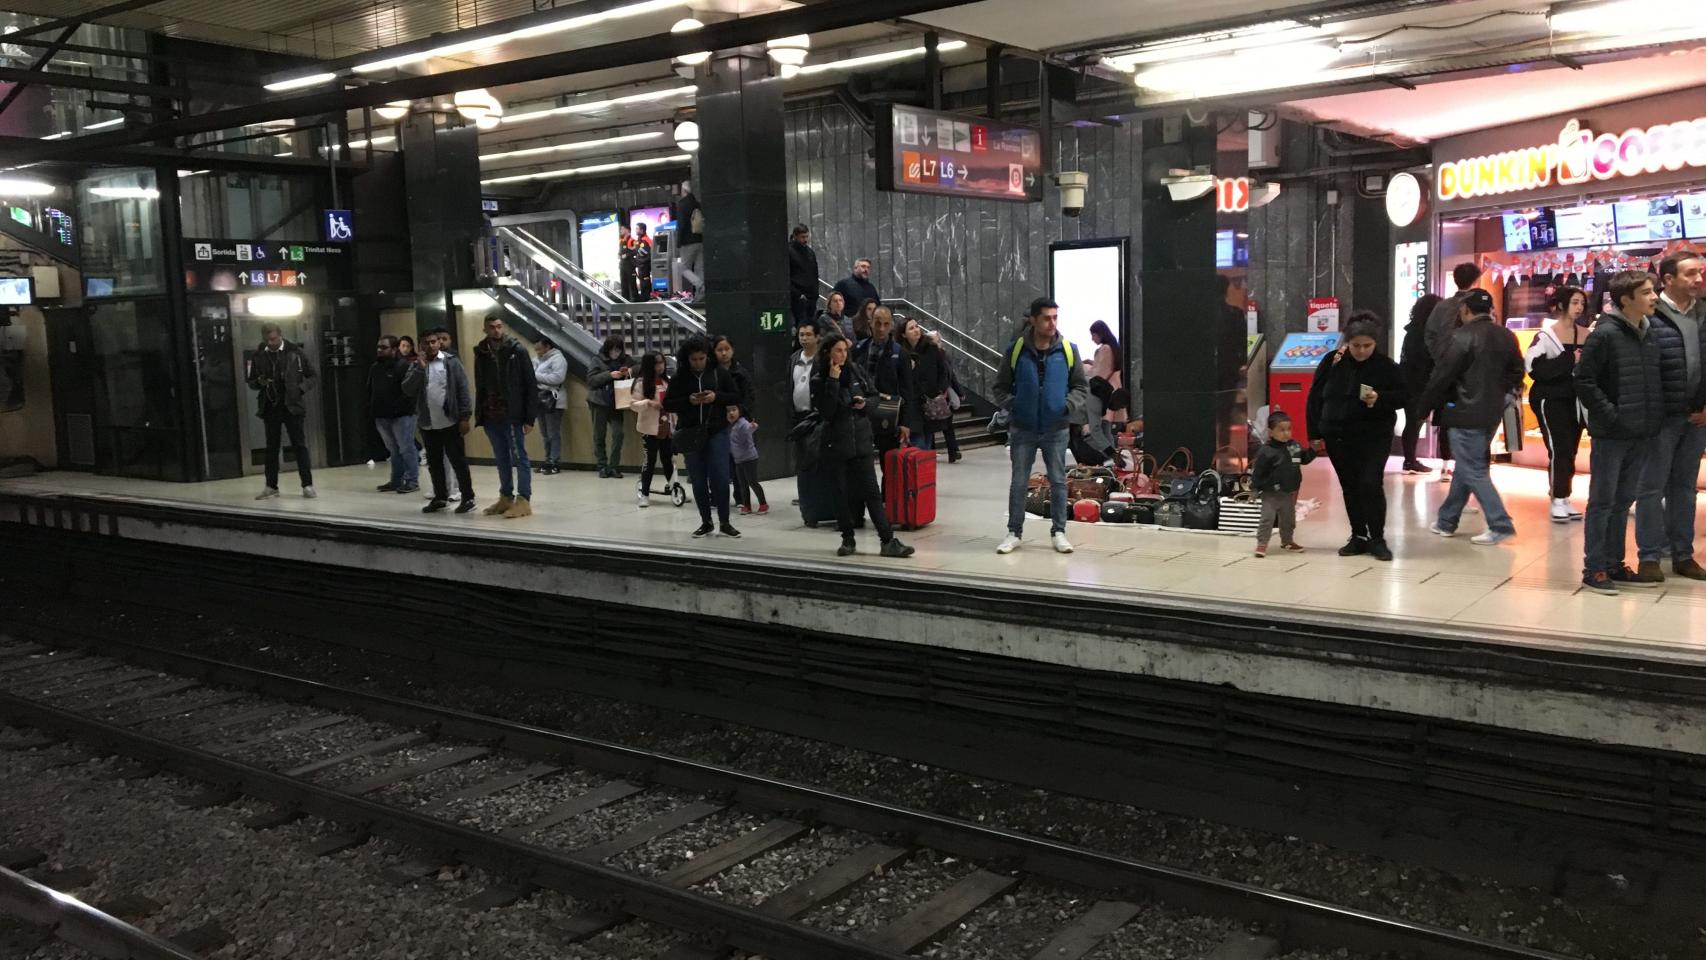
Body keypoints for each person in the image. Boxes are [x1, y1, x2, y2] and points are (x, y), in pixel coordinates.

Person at [1575, 270, 1666, 594]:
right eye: (1646, 293)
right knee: (1602, 502)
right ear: (1626, 299)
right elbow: (1584, 380)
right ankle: (1594, 568)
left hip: (1642, 431)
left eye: (1653, 291)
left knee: (1623, 500)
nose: (1654, 297)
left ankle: (1614, 562)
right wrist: (1612, 416)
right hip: (1612, 434)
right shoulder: (1605, 333)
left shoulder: (1649, 331)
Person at [1416, 289, 1523, 546]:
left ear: (1465, 310)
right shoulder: (1506, 335)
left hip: (1464, 412)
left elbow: (1442, 377)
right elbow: (1517, 371)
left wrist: (1424, 408)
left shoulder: (1461, 338)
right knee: (1467, 466)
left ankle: (1500, 523)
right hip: (1492, 412)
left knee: (1473, 469)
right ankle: (1446, 520)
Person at [1305, 311, 1408, 560]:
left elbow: (1406, 396)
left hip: (1374, 436)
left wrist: (1380, 398)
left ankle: (1377, 537)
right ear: (1347, 343)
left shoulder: (1385, 367)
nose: (1361, 351)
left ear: (1376, 343)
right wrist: (1314, 433)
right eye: (1356, 345)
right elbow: (1315, 398)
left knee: (1370, 483)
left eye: (1367, 346)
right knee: (1350, 486)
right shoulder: (1333, 362)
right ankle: (1358, 535)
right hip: (1339, 436)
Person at [993, 297, 1089, 555]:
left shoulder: (1068, 349)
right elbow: (999, 387)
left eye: (1055, 317)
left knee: (1058, 480)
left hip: (1056, 427)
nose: (1052, 323)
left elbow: (1081, 385)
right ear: (1033, 320)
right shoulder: (1016, 350)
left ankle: (1059, 531)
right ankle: (1014, 532)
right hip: (1023, 427)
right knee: (1019, 481)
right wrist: (1014, 405)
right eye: (1047, 318)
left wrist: (1067, 405)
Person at [1634, 252, 1706, 583]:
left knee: (1684, 489)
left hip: (1696, 418)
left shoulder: (1704, 312)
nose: (1698, 280)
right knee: (1651, 488)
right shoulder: (1648, 315)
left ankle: (1682, 554)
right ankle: (1649, 556)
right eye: (1690, 274)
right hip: (1661, 419)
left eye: (1700, 273)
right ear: (1668, 280)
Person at [812, 332, 915, 559]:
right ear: (828, 353)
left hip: (861, 441)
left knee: (872, 492)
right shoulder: (819, 379)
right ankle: (847, 539)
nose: (842, 354)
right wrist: (832, 380)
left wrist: (864, 404)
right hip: (836, 444)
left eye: (845, 350)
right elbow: (827, 411)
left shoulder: (856, 371)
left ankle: (887, 540)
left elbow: (876, 398)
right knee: (841, 493)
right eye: (838, 350)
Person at [664, 336, 741, 538]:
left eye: (701, 358)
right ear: (687, 359)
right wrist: (688, 401)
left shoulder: (719, 373)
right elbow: (668, 404)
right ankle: (706, 521)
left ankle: (725, 521)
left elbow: (735, 396)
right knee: (698, 480)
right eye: (694, 359)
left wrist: (716, 397)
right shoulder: (681, 377)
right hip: (691, 433)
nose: (698, 363)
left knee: (721, 478)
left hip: (717, 431)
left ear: (707, 356)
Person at [1526, 286, 1589, 522]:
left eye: (1582, 303)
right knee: (1560, 448)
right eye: (1574, 302)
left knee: (1570, 448)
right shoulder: (1546, 336)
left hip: (1576, 399)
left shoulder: (1586, 333)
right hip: (1550, 399)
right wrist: (1568, 359)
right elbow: (1535, 369)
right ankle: (1558, 498)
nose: (1579, 307)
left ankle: (1564, 496)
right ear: (1561, 304)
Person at [472, 314, 539, 519]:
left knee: (519, 456)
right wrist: (480, 413)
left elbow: (530, 384)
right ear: (485, 329)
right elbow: (479, 385)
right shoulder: (481, 352)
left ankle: (524, 499)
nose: (496, 331)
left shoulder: (516, 351)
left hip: (513, 413)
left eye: (500, 326)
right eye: (492, 327)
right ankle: (505, 496)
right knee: (501, 457)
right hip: (491, 413)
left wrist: (529, 418)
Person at [1424, 262, 1484, 479]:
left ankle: (1445, 463)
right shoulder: (1478, 304)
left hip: (1445, 371)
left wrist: (1440, 357)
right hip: (1470, 373)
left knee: (1445, 416)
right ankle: (1465, 462)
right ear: (1476, 280)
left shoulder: (1441, 306)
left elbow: (1429, 334)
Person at [247, 322, 317, 500]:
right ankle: (271, 486)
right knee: (271, 447)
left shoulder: (295, 352)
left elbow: (312, 375)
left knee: (299, 445)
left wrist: (300, 389)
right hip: (271, 405)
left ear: (280, 336)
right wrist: (259, 383)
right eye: (267, 340)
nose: (270, 343)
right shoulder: (259, 356)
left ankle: (307, 485)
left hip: (292, 405)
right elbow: (251, 380)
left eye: (273, 339)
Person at [417, 328, 477, 515]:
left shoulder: (450, 362)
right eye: (426, 342)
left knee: (457, 460)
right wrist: (420, 369)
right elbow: (407, 389)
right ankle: (440, 497)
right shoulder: (417, 365)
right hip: (428, 422)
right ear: (421, 346)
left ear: (439, 343)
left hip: (450, 421)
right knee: (434, 463)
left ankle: (468, 497)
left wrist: (465, 417)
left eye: (434, 341)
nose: (431, 345)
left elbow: (462, 389)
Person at [854, 306, 919, 458]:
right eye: (878, 323)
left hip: (888, 416)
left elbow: (908, 390)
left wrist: (905, 423)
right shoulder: (860, 348)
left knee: (889, 466)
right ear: (870, 323)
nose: (881, 329)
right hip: (862, 414)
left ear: (891, 325)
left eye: (885, 324)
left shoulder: (900, 353)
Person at [1250, 411, 1315, 558]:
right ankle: (1262, 543)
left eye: (1289, 429)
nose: (1286, 433)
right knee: (1267, 519)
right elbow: (1258, 472)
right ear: (1270, 432)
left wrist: (1313, 451)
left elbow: (1303, 459)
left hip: (1288, 492)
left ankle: (1287, 541)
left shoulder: (1294, 446)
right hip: (1270, 494)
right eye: (1282, 430)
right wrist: (1254, 489)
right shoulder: (1266, 451)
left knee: (1288, 519)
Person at [369, 335, 421, 494]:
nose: (379, 350)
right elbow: (370, 390)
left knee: (406, 448)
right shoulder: (375, 368)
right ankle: (396, 480)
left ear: (393, 349)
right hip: (382, 415)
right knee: (393, 449)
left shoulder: (404, 366)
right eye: (378, 347)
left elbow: (410, 392)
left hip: (402, 415)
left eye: (383, 347)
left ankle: (412, 480)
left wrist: (403, 408)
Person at [1398, 294, 1442, 474]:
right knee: (1415, 422)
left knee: (1413, 422)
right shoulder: (1425, 334)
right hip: (1420, 384)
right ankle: (1409, 461)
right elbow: (1423, 361)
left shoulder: (1412, 331)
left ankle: (1409, 460)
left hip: (1410, 382)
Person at [898, 315, 950, 451]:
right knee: (918, 443)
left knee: (927, 440)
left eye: (916, 326)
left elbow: (944, 370)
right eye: (911, 328)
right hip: (913, 404)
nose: (916, 330)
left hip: (930, 401)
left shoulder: (931, 348)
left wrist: (940, 389)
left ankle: (922, 469)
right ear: (903, 334)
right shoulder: (902, 353)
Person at [587, 335, 635, 479]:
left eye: (618, 349)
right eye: (613, 349)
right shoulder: (597, 359)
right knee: (599, 436)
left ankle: (613, 466)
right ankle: (602, 466)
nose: (616, 352)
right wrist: (609, 375)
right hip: (599, 402)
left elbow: (638, 368)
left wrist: (629, 371)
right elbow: (591, 380)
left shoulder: (626, 359)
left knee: (618, 434)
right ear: (607, 349)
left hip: (617, 402)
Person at [630, 352, 674, 508]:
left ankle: (675, 490)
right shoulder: (641, 383)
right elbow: (633, 404)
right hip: (650, 429)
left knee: (668, 459)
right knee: (650, 460)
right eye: (657, 363)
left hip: (666, 427)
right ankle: (645, 494)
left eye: (662, 363)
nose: (660, 366)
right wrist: (648, 402)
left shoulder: (666, 382)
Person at [533, 340, 568, 476]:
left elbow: (557, 378)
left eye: (540, 349)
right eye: (536, 350)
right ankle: (547, 460)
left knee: (553, 433)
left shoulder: (558, 359)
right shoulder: (537, 360)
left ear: (548, 347)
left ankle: (554, 462)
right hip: (539, 399)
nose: (538, 352)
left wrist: (535, 376)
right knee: (545, 434)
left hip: (554, 400)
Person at [728, 407, 768, 515]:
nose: (731, 413)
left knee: (752, 482)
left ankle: (763, 504)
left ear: (739, 412)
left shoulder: (742, 423)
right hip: (738, 460)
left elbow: (749, 428)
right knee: (742, 484)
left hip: (749, 458)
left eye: (733, 410)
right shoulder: (729, 426)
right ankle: (746, 506)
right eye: (728, 411)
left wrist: (753, 427)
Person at [939, 336, 965, 464]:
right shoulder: (928, 357)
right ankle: (952, 451)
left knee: (948, 425)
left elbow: (951, 375)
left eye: (940, 341)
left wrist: (959, 392)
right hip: (935, 396)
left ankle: (953, 451)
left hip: (945, 396)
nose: (939, 343)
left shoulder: (945, 356)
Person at [789, 321, 821, 428]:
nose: (804, 338)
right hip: (797, 417)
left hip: (816, 416)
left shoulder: (822, 359)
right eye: (801, 335)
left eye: (808, 334)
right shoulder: (794, 358)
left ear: (817, 337)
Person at [788, 224, 819, 330]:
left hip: (811, 296)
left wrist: (815, 294)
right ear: (795, 236)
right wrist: (797, 294)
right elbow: (787, 276)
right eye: (803, 237)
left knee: (811, 326)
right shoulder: (789, 251)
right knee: (802, 326)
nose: (805, 240)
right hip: (798, 297)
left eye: (806, 236)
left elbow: (815, 274)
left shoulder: (810, 252)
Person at [676, 181, 703, 296]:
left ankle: (700, 286)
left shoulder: (683, 204)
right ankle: (701, 295)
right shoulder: (697, 204)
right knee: (699, 268)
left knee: (682, 268)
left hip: (688, 242)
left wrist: (679, 242)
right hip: (700, 240)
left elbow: (681, 225)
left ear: (684, 191)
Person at [619, 224, 639, 300]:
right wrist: (619, 254)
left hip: (630, 265)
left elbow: (636, 250)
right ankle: (624, 299)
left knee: (632, 283)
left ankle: (635, 299)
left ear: (627, 230)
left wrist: (627, 255)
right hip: (622, 265)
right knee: (623, 284)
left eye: (622, 229)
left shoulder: (632, 240)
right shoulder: (621, 240)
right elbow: (621, 251)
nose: (621, 231)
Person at [634, 222, 653, 298]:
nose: (635, 230)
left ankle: (647, 299)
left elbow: (649, 254)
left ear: (642, 230)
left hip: (645, 267)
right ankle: (643, 298)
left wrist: (642, 262)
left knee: (645, 284)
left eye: (637, 229)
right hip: (640, 267)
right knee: (642, 284)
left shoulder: (647, 240)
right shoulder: (638, 240)